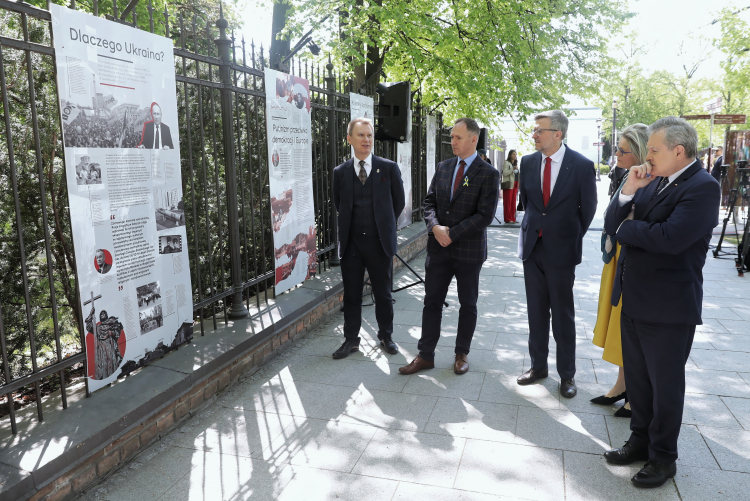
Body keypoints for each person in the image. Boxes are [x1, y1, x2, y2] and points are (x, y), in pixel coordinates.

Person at [603, 117, 720, 488]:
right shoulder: (651, 180)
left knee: (665, 386)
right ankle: (639, 442)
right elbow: (611, 222)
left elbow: (671, 238)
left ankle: (663, 458)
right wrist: (628, 193)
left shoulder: (703, 187)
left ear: (678, 151)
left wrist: (628, 228)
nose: (647, 156)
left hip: (669, 307)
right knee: (638, 381)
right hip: (635, 297)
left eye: (653, 149)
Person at [398, 117, 499, 375]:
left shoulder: (488, 173)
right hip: (438, 250)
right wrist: (434, 227)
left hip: (468, 251)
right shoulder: (443, 167)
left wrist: (451, 234)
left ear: (473, 140)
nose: (452, 141)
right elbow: (429, 202)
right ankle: (425, 355)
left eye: (457, 137)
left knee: (468, 304)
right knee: (431, 302)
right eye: (452, 136)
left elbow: (484, 215)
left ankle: (461, 353)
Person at [515, 110, 597, 398]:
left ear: (558, 134)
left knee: (563, 316)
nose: (534, 135)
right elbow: (528, 202)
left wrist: (565, 236)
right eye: (534, 130)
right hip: (532, 249)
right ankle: (538, 367)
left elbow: (587, 211)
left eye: (540, 130)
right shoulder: (527, 162)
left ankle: (567, 375)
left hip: (561, 252)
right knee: (536, 312)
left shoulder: (582, 165)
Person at [331, 117, 405, 359]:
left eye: (369, 135)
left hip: (379, 242)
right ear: (349, 139)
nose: (366, 139)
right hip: (352, 245)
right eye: (361, 135)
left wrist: (383, 225)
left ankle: (386, 336)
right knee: (351, 294)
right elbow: (338, 204)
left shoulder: (389, 168)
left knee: (383, 293)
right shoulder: (340, 173)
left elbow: (399, 202)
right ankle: (351, 340)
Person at [590, 124, 649, 418]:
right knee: (617, 325)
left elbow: (623, 222)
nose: (616, 154)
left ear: (638, 152)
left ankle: (633, 394)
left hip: (630, 258)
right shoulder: (625, 175)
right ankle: (621, 385)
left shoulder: (647, 180)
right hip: (617, 256)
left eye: (622, 150)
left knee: (626, 327)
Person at [502, 150, 519, 223]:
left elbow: (517, 174)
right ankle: (507, 218)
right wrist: (513, 169)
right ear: (509, 155)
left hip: (515, 183)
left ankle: (513, 218)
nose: (515, 155)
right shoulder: (506, 163)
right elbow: (505, 173)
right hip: (508, 184)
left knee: (513, 202)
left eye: (516, 154)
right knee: (508, 202)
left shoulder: (515, 163)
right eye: (513, 154)